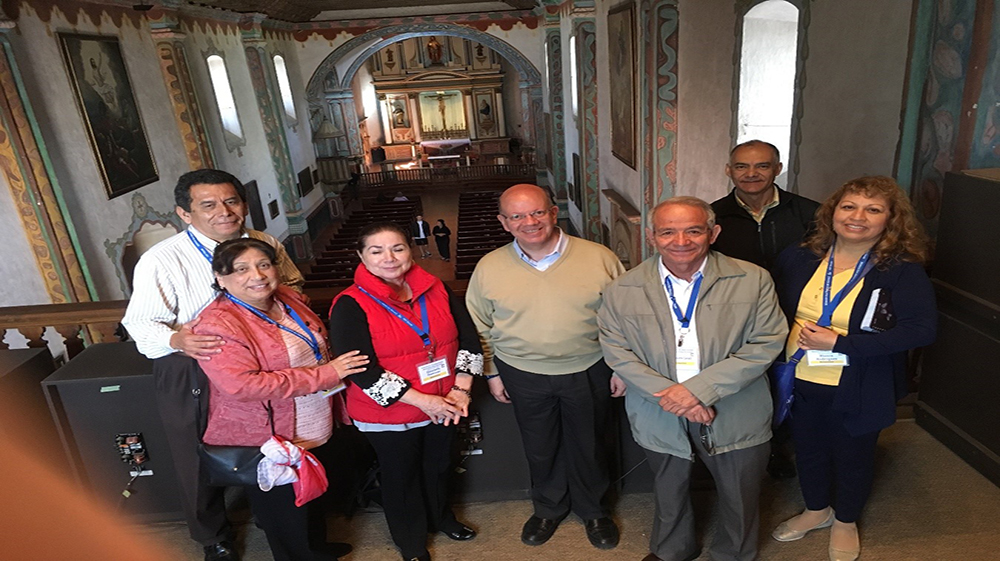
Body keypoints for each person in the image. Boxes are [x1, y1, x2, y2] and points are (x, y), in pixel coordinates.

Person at [122, 169, 304, 561]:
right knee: (196, 455)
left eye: (231, 201)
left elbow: (291, 284)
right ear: (185, 214)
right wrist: (175, 338)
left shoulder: (265, 242)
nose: (224, 212)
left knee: (269, 437)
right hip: (193, 363)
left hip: (260, 360)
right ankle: (213, 537)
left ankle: (273, 518)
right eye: (208, 205)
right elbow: (138, 322)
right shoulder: (162, 259)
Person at [599, 196, 788, 561]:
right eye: (668, 232)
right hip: (658, 409)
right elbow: (617, 351)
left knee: (740, 491)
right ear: (652, 237)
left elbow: (765, 343)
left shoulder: (752, 279)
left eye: (693, 230)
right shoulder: (622, 288)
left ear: (713, 233)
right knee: (669, 486)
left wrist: (697, 392)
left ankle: (733, 554)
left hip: (735, 406)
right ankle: (672, 549)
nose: (680, 241)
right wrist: (672, 398)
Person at [769, 176, 936, 561]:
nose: (857, 216)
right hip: (799, 376)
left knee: (853, 454)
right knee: (808, 449)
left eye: (872, 209)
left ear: (890, 220)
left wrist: (840, 344)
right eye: (849, 206)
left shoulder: (900, 269)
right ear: (832, 212)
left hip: (860, 382)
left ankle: (845, 520)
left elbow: (922, 330)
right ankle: (816, 510)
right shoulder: (800, 256)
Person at [465, 184, 626, 550]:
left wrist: (620, 366)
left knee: (590, 445)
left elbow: (622, 319)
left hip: (589, 368)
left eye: (537, 212)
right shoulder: (489, 267)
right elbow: (480, 326)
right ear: (504, 223)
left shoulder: (598, 257)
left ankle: (595, 511)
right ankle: (549, 508)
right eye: (517, 216)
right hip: (522, 372)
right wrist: (492, 372)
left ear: (554, 213)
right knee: (540, 447)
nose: (529, 222)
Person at [195, 239, 369, 561]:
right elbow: (242, 385)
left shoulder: (286, 297)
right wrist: (326, 375)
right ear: (220, 277)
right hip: (269, 434)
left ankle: (316, 549)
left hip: (314, 418)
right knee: (285, 512)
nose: (257, 275)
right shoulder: (217, 324)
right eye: (241, 269)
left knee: (311, 494)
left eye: (264, 264)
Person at [327, 222, 483, 561]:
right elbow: (362, 371)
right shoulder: (349, 304)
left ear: (410, 249)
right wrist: (426, 402)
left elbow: (469, 341)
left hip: (446, 403)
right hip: (390, 414)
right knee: (401, 477)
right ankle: (411, 542)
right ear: (361, 256)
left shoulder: (436, 287)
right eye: (376, 250)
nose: (389, 258)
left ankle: (441, 518)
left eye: (397, 248)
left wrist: (461, 390)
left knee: (440, 466)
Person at [711, 140, 821, 479]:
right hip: (736, 319)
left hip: (797, 316)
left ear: (777, 168)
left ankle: (789, 446)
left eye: (761, 165)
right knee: (747, 383)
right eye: (742, 166)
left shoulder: (810, 213)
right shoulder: (713, 216)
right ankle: (753, 449)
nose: (751, 173)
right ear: (729, 170)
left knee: (792, 382)